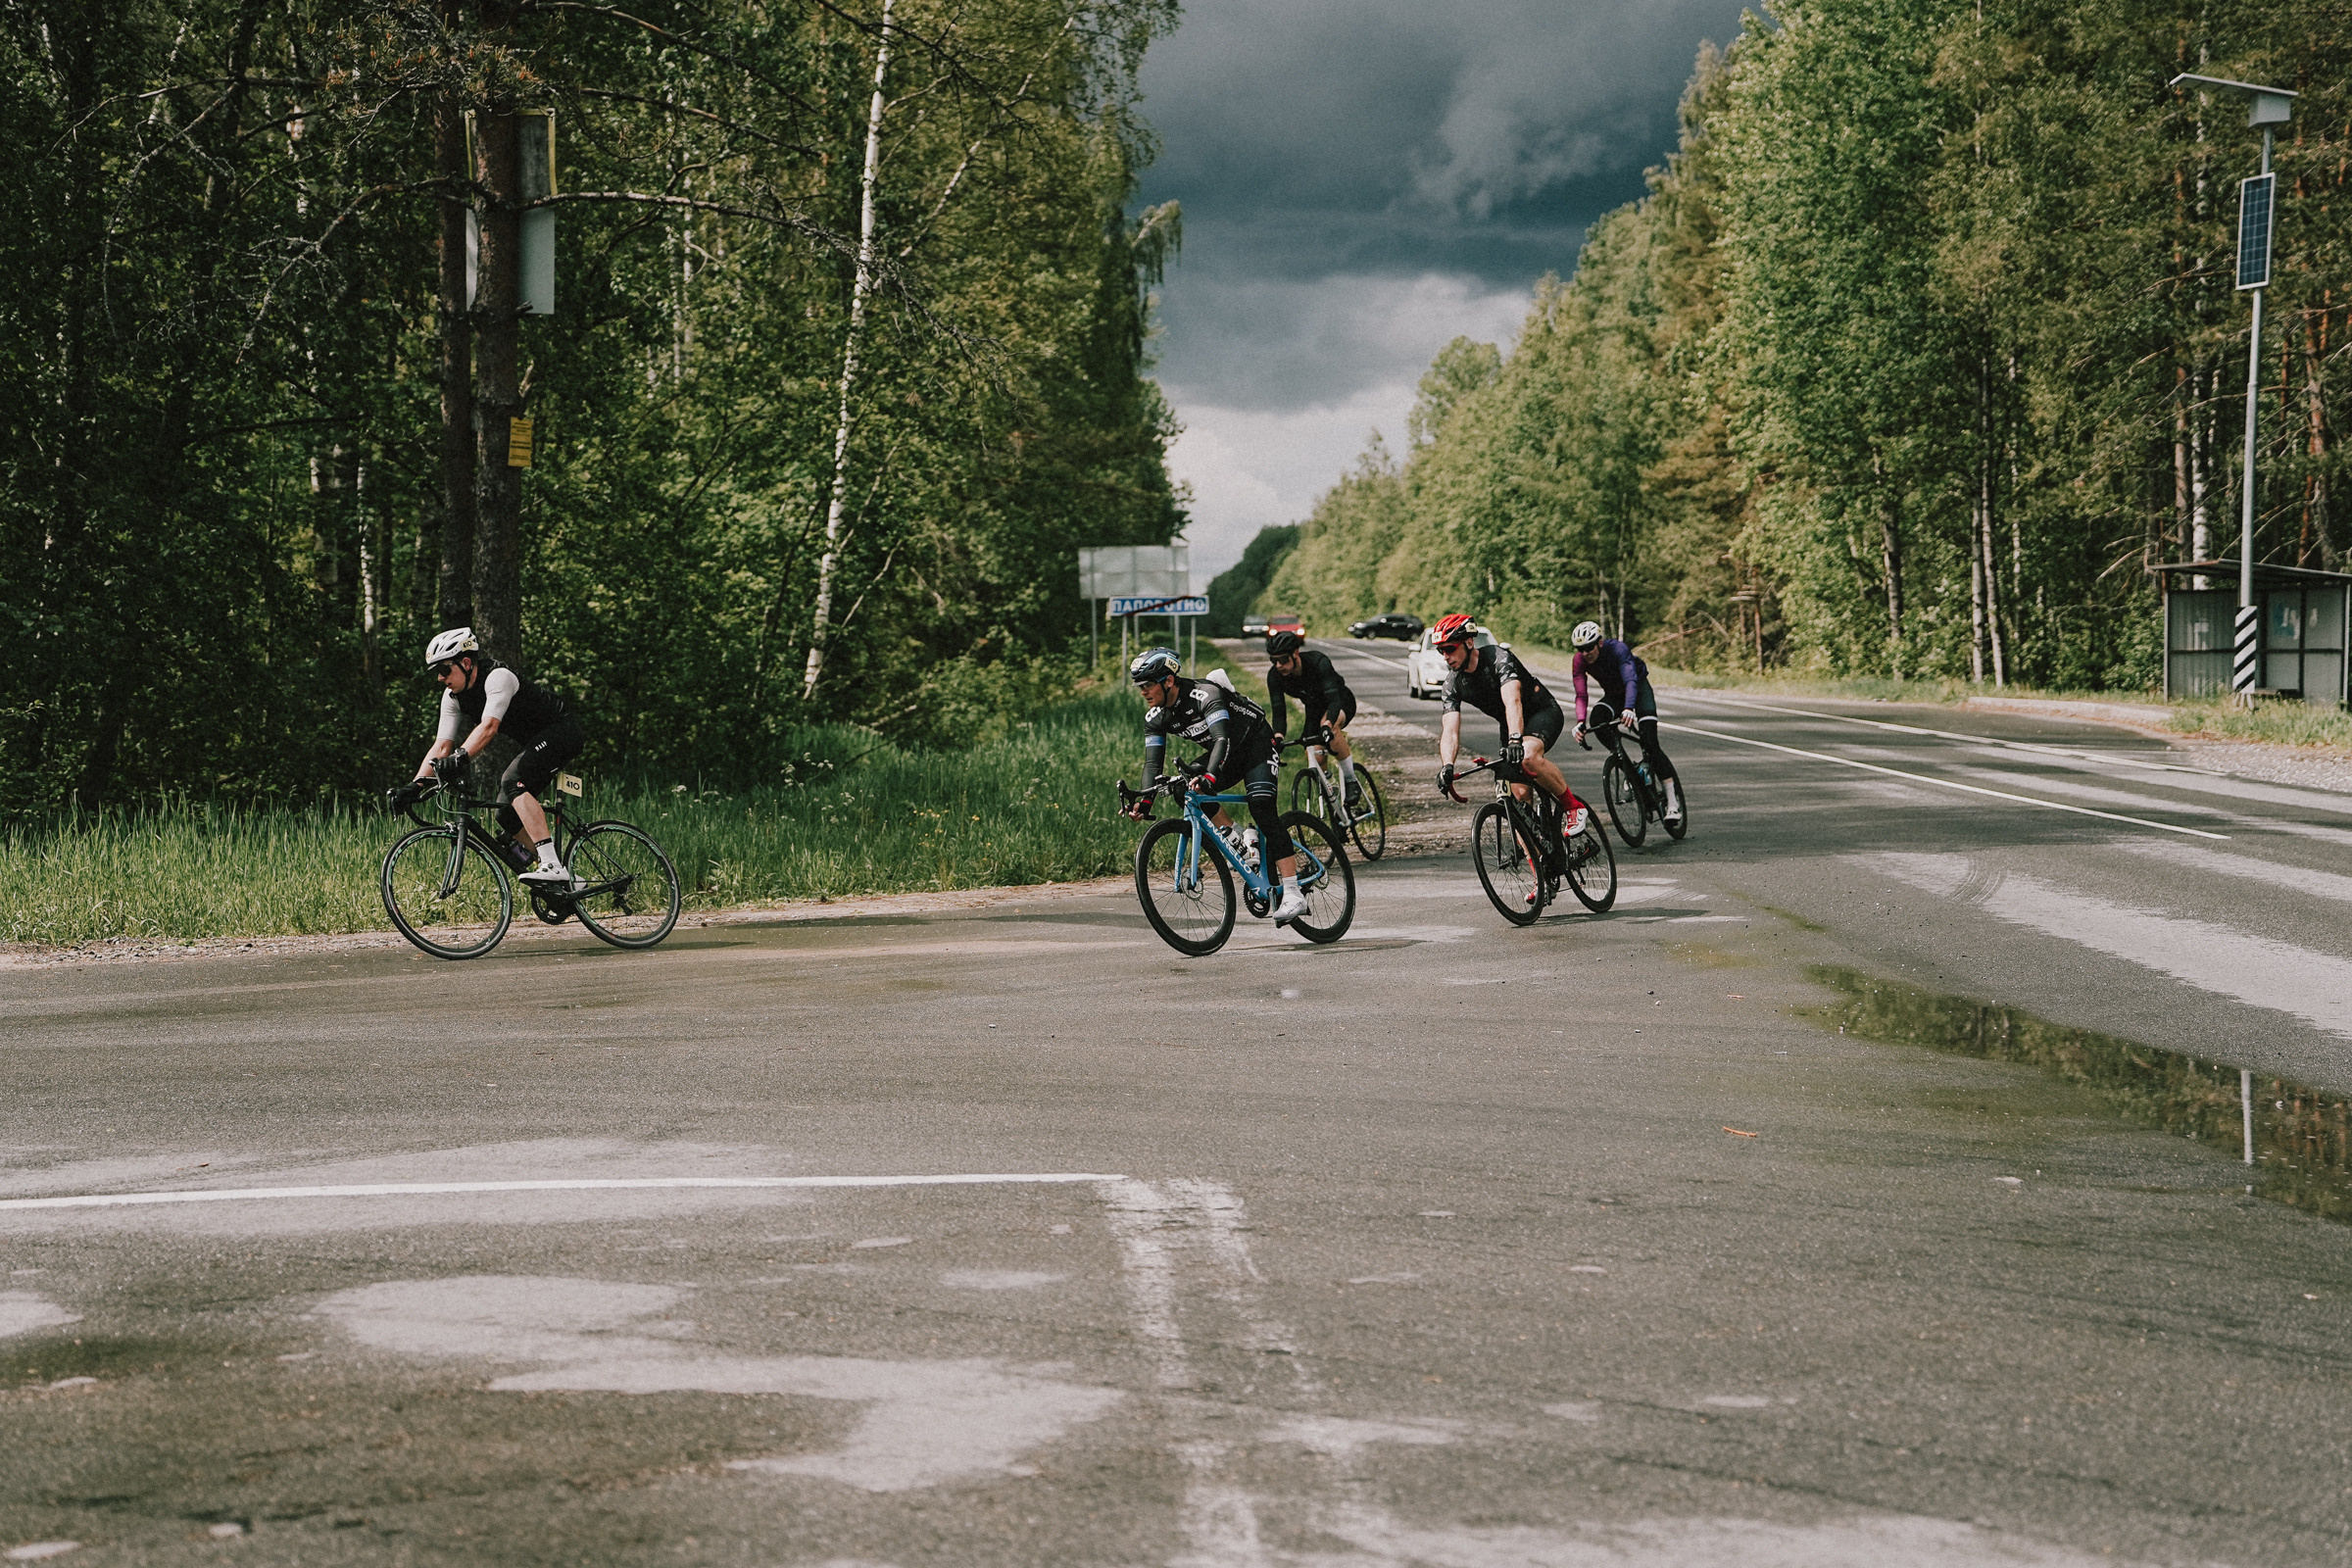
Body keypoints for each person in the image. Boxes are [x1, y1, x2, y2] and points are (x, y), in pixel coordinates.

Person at [1124, 646, 1310, 925]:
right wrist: (1145, 801)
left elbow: (1221, 739)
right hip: (1224, 753)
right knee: (1182, 787)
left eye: (1148, 685)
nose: (1143, 692)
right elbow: (1153, 765)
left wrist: (1210, 775)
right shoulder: (1156, 717)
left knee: (1261, 806)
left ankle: (1294, 892)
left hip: (1255, 745)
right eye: (1140, 686)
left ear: (1169, 681)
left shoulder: (1205, 695)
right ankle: (1235, 836)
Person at [395, 627, 585, 885]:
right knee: (505, 815)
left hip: (563, 730)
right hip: (536, 740)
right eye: (436, 673)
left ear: (465, 662)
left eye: (443, 670)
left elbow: (489, 727)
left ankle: (552, 865)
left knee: (513, 781)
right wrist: (414, 785)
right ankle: (565, 877)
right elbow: (441, 746)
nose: (440, 678)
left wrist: (461, 756)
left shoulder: (498, 677)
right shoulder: (452, 697)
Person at [1429, 613, 1591, 841]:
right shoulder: (1452, 684)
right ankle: (1539, 868)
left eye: (1450, 648)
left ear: (1469, 642)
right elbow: (1450, 731)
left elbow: (1512, 700)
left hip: (1540, 712)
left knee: (1527, 757)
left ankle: (1573, 807)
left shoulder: (1498, 657)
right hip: (1510, 725)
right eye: (1441, 651)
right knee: (1516, 802)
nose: (1446, 656)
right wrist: (1447, 765)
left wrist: (1515, 739)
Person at [1568, 619, 1681, 827]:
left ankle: (1672, 803)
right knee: (1598, 720)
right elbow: (1581, 694)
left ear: (1599, 643)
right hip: (1614, 695)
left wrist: (1629, 708)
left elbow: (1630, 680)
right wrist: (1580, 722)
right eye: (1580, 649)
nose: (1585, 653)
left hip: (1638, 690)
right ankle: (1628, 767)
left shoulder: (1618, 649)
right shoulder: (1579, 661)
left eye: (1589, 647)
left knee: (1650, 742)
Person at [1262, 630, 1362, 808]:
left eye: (1283, 660)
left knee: (1330, 730)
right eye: (1273, 660)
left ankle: (1351, 780)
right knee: (1314, 752)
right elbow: (1279, 712)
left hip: (1339, 701)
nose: (1278, 665)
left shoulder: (1318, 662)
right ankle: (1333, 799)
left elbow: (1334, 701)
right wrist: (1278, 737)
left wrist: (1327, 724)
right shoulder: (1275, 676)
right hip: (1314, 708)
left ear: (1295, 654)